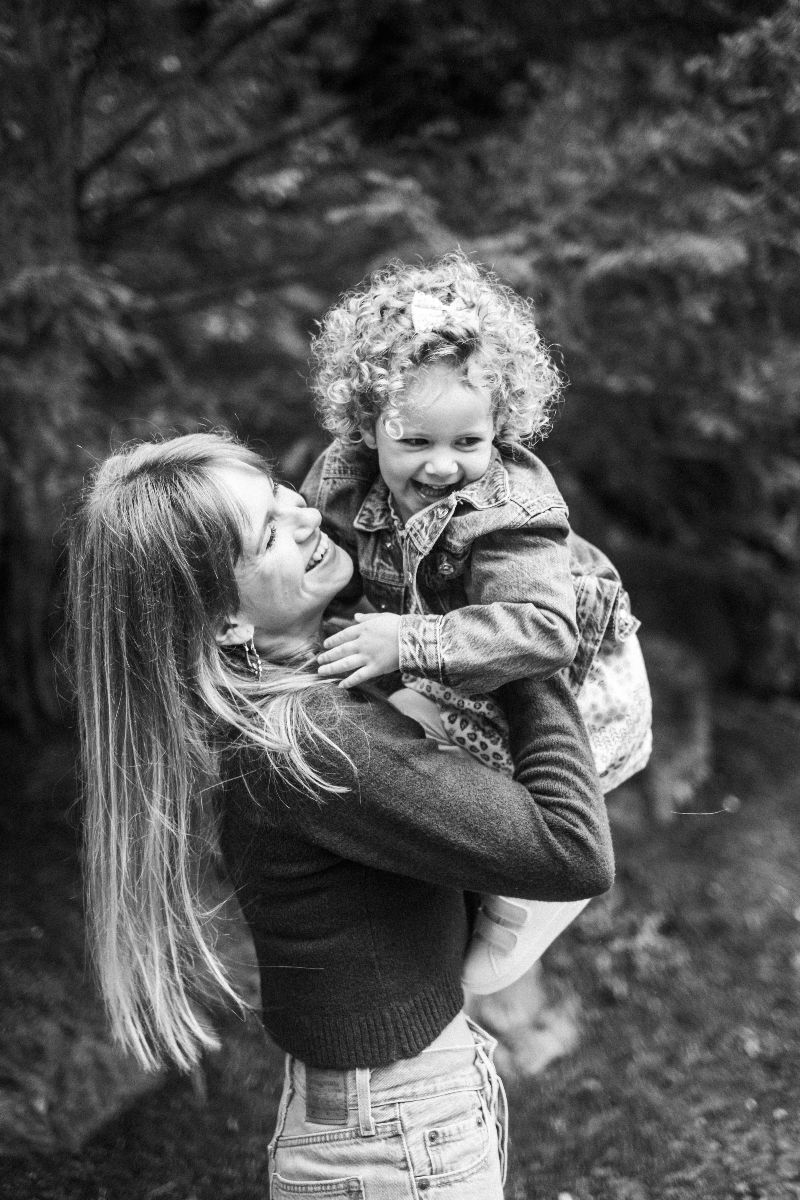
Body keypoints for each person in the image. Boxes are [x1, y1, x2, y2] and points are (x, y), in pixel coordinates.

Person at [66, 430, 614, 1199]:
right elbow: (571, 849)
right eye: (268, 534)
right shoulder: (314, 740)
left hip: (385, 1120)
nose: (304, 516)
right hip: (395, 1138)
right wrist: (525, 643)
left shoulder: (285, 704)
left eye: (280, 494)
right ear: (226, 622)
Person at [303, 250, 651, 995]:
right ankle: (469, 877)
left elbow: (544, 629)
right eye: (415, 442)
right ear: (366, 425)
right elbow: (329, 577)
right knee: (395, 737)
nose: (441, 466)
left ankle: (542, 893)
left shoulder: (510, 510)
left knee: (507, 899)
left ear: (501, 425)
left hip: (577, 683)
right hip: (462, 668)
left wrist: (408, 640)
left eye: (468, 442)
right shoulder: (340, 475)